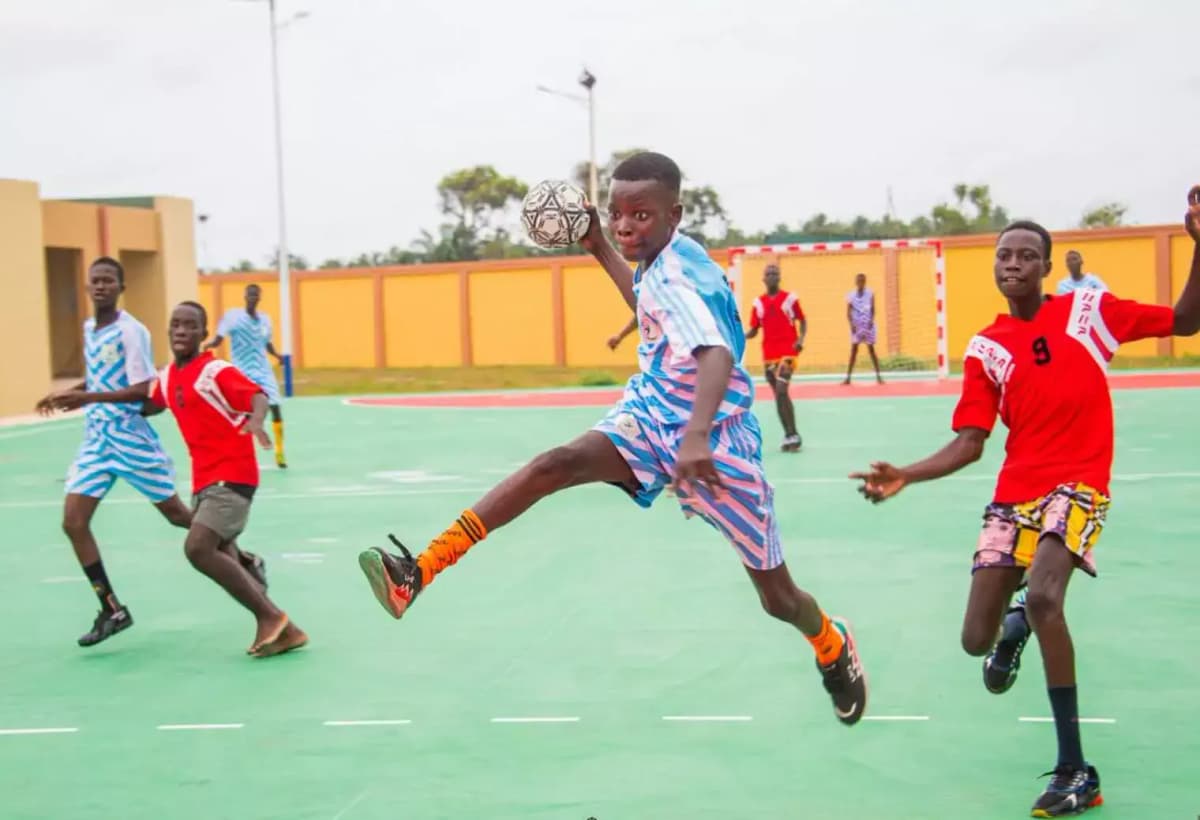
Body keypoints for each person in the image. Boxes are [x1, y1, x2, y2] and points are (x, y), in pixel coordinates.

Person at [357, 151, 867, 725]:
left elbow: (717, 352)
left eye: (640, 215)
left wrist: (697, 435)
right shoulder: (669, 255)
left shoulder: (679, 274)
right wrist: (599, 246)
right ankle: (420, 571)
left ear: (673, 213)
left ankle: (829, 642)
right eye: (616, 213)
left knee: (779, 600)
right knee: (555, 464)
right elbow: (650, 304)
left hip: (718, 444)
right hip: (651, 416)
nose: (626, 225)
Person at [848, 187, 1200, 816]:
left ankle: (1075, 770)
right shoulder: (988, 348)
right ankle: (1012, 626)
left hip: (1081, 482)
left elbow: (1184, 321)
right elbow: (970, 443)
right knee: (974, 639)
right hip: (1017, 493)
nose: (1011, 264)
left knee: (1044, 598)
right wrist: (908, 473)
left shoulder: (1089, 312)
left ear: (1046, 264)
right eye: (1003, 256)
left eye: (1024, 255)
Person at [36, 258, 265, 648]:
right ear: (88, 287)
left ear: (122, 287)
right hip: (97, 440)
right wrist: (71, 393)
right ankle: (111, 608)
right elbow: (104, 376)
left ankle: (241, 559)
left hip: (131, 440)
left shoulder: (131, 332)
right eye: (95, 281)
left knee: (180, 516)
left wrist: (86, 396)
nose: (101, 286)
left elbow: (143, 388)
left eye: (109, 280)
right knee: (74, 522)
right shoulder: (90, 328)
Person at [63, 301, 307, 657]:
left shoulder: (215, 371)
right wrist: (89, 397)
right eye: (175, 325)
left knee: (198, 548)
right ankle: (259, 586)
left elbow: (257, 395)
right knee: (212, 545)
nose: (181, 331)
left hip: (234, 477)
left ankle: (273, 620)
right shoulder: (168, 378)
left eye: (190, 326)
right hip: (205, 483)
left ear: (204, 334)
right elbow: (139, 394)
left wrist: (256, 419)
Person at [204, 284, 288, 468]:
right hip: (242, 370)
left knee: (275, 407)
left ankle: (280, 453)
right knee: (241, 412)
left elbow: (267, 343)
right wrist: (207, 346)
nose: (252, 297)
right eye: (249, 294)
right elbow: (219, 339)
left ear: (259, 297)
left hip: (263, 369)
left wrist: (277, 356)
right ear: (245, 296)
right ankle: (238, 453)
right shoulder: (233, 317)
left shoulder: (265, 320)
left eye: (255, 295)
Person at [745, 264, 806, 451]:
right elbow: (754, 330)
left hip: (788, 352)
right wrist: (739, 336)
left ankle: (793, 433)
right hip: (769, 356)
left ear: (779, 277)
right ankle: (790, 434)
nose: (771, 277)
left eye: (775, 274)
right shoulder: (758, 303)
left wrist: (800, 339)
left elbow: (802, 320)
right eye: (768, 274)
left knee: (781, 389)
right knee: (780, 396)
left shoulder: (790, 299)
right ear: (763, 279)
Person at [843, 273, 883, 384]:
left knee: (871, 350)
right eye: (858, 281)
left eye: (863, 281)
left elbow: (873, 309)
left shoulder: (870, 293)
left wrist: (871, 320)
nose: (860, 283)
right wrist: (851, 324)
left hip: (868, 325)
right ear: (856, 282)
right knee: (854, 351)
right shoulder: (850, 295)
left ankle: (878, 376)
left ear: (865, 282)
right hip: (857, 326)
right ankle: (848, 377)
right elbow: (848, 312)